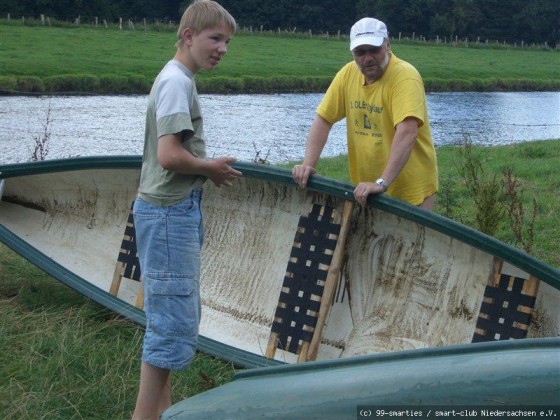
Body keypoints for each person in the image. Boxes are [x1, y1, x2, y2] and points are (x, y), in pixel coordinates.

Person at [131, 1, 241, 419]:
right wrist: (210, 169)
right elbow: (169, 156)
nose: (222, 49)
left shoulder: (177, 78)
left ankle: (163, 412)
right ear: (188, 36)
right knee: (171, 325)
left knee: (171, 318)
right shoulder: (177, 82)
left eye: (227, 42)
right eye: (215, 39)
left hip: (168, 210)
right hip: (169, 212)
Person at [292, 17, 438, 210]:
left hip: (410, 191)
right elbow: (323, 119)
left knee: (408, 241)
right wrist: (307, 165)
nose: (367, 58)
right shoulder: (348, 74)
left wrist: (382, 183)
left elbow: (407, 132)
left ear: (387, 45)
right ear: (353, 52)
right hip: (366, 190)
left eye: (374, 50)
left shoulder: (405, 77)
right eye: (360, 52)